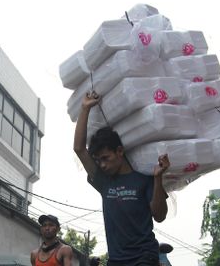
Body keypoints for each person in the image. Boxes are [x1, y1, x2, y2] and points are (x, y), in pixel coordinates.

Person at [73, 91, 171, 266]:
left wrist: (158, 178)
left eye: (105, 158)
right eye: (98, 160)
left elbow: (160, 216)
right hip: (116, 260)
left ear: (119, 151)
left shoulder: (144, 179)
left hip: (144, 258)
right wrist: (85, 108)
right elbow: (79, 149)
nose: (102, 165)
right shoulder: (103, 181)